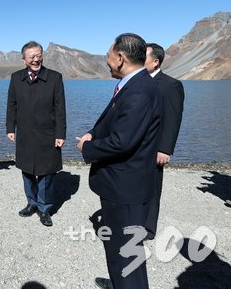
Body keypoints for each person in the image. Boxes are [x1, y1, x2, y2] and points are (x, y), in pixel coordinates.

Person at [76, 33, 162, 289]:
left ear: (121, 58)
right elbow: (118, 121)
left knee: (125, 254)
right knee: (120, 252)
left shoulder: (140, 91)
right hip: (124, 184)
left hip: (125, 187)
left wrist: (87, 146)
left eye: (108, 55)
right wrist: (95, 132)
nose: (106, 60)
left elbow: (123, 142)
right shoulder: (136, 84)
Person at [6, 41, 66, 227]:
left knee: (47, 172)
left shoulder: (55, 78)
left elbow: (60, 108)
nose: (36, 59)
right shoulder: (16, 78)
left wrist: (60, 133)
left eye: (39, 55)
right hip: (25, 133)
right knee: (27, 169)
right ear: (24, 59)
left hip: (48, 133)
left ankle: (44, 208)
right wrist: (10, 128)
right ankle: (32, 203)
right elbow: (12, 105)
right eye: (31, 56)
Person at [144, 43, 185, 240]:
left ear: (155, 61)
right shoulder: (136, 82)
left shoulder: (171, 85)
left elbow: (173, 119)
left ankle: (148, 229)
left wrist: (165, 149)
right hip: (135, 146)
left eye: (142, 57)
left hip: (155, 148)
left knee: (152, 187)